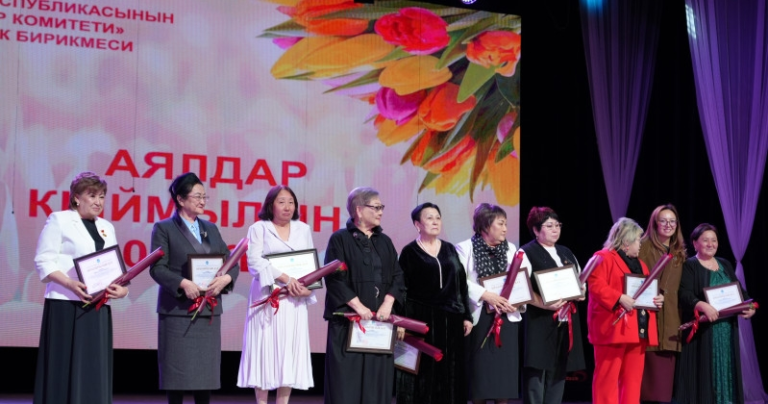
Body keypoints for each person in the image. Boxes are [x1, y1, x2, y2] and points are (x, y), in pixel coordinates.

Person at [33, 171, 129, 404]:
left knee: (93, 367)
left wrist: (123, 290)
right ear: (76, 198)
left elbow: (115, 268)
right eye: (92, 195)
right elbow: (43, 260)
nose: (98, 202)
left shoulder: (107, 226)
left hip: (98, 307)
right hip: (66, 305)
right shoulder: (59, 220)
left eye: (102, 196)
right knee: (62, 367)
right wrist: (69, 283)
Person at [149, 172, 239, 404]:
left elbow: (231, 262)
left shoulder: (211, 228)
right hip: (178, 311)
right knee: (176, 375)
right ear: (180, 199)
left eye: (204, 196)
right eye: (197, 196)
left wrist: (226, 279)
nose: (202, 201)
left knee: (205, 376)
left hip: (208, 311)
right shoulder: (164, 228)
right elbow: (157, 268)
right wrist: (182, 283)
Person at [323, 187, 406, 404]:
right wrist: (359, 307)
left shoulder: (385, 241)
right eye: (376, 207)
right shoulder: (339, 239)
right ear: (359, 210)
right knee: (345, 386)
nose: (381, 212)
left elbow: (398, 276)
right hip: (349, 323)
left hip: (380, 325)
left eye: (381, 207)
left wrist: (388, 302)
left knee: (375, 387)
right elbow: (335, 279)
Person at [237, 185, 314, 404]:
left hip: (293, 300)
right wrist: (285, 278)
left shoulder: (303, 229)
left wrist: (308, 287)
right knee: (264, 350)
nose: (287, 207)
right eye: (281, 202)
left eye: (291, 202)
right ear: (271, 205)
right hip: (266, 298)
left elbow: (309, 263)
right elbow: (254, 262)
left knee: (288, 352)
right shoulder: (259, 228)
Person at [396, 202, 473, 404]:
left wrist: (466, 315)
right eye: (429, 218)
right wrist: (401, 321)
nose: (435, 221)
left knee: (451, 374)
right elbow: (401, 288)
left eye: (438, 217)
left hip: (452, 320)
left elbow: (461, 284)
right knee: (424, 375)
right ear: (417, 224)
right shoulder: (409, 252)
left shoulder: (449, 249)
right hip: (421, 321)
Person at [456, 203, 531, 404]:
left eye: (506, 224)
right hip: (480, 317)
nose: (505, 228)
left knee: (503, 379)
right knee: (480, 378)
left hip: (506, 317)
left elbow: (524, 279)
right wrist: (486, 295)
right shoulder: (465, 248)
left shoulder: (512, 249)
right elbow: (459, 280)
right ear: (485, 225)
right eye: (501, 223)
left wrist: (516, 302)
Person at [675, 223, 755, 404]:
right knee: (706, 375)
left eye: (714, 240)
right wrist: (701, 304)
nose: (710, 244)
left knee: (728, 369)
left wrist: (750, 307)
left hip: (727, 330)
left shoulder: (725, 264)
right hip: (705, 333)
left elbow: (741, 292)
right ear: (695, 243)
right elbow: (684, 294)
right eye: (705, 240)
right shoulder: (690, 265)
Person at [587, 217, 663, 404]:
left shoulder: (641, 264)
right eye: (637, 240)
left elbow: (646, 291)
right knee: (607, 379)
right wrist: (619, 297)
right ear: (626, 241)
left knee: (632, 380)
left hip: (637, 329)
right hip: (613, 329)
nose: (640, 244)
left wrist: (657, 298)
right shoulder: (603, 257)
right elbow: (595, 285)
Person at [520, 207, 586, 404]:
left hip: (566, 320)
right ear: (536, 229)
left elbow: (580, 281)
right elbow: (521, 288)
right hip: (539, 320)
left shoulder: (566, 252)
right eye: (549, 226)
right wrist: (543, 304)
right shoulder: (526, 252)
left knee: (559, 370)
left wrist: (581, 292)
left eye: (557, 225)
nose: (555, 229)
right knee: (536, 372)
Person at [638, 204, 686, 403]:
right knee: (646, 385)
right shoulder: (643, 247)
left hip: (671, 323)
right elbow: (632, 281)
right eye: (663, 220)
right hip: (647, 319)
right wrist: (648, 296)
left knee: (664, 387)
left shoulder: (679, 252)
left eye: (672, 221)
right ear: (655, 223)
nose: (668, 225)